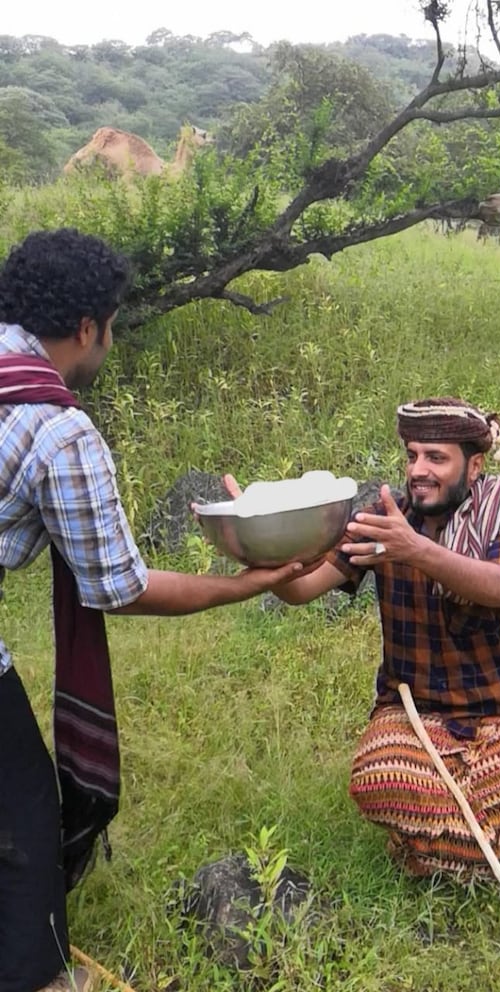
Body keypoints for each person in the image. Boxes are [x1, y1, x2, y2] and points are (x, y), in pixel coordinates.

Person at [0, 229, 308, 992]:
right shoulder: (58, 429)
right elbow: (118, 587)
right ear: (87, 329)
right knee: (27, 816)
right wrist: (246, 585)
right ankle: (34, 974)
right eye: (111, 324)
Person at [264, 396, 500, 880]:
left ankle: (433, 850)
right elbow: (301, 589)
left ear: (474, 466)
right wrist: (267, 547)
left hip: (497, 716)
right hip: (410, 713)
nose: (419, 470)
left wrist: (417, 551)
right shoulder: (385, 521)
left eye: (436, 458)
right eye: (413, 456)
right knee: (378, 779)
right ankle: (478, 847)